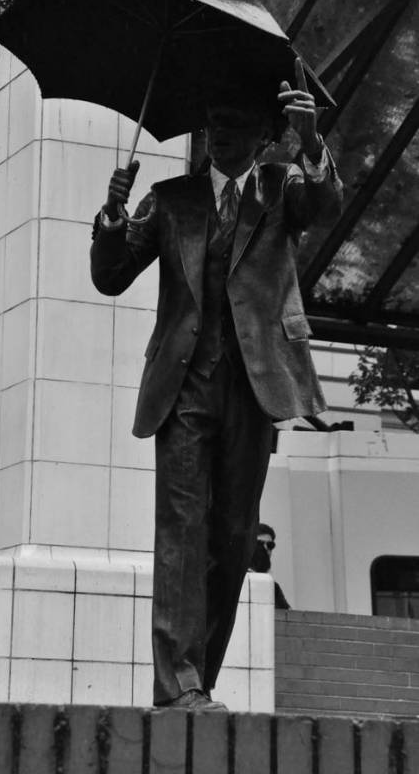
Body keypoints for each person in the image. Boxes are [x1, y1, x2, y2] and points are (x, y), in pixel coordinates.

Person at [90, 59, 342, 711]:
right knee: (180, 528)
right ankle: (179, 683)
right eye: (214, 122)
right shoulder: (172, 201)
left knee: (232, 538)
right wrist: (113, 217)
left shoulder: (282, 188)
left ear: (263, 133)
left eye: (234, 123)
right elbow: (112, 275)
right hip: (184, 388)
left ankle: (199, 675)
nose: (220, 132)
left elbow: (325, 205)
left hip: (255, 388)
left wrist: (311, 143)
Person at [249, 522, 290, 610]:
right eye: (259, 544)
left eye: (270, 545)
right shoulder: (235, 580)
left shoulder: (273, 587)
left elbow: (287, 615)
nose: (265, 549)